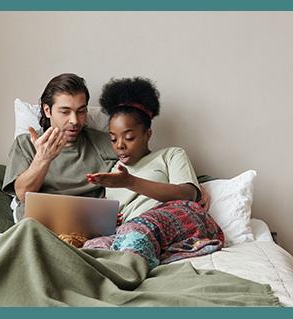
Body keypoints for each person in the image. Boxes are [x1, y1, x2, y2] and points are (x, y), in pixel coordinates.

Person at [83, 77, 224, 270]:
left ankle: (127, 272)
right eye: (113, 139)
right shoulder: (114, 172)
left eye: (129, 137)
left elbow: (188, 195)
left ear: (147, 134)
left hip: (174, 220)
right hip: (132, 230)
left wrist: (130, 182)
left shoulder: (170, 155)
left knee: (135, 231)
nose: (120, 145)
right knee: (93, 246)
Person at [2, 73, 117, 222]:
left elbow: (141, 169)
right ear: (47, 110)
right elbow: (23, 194)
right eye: (65, 112)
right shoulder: (25, 144)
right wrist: (43, 159)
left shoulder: (105, 143)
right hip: (41, 224)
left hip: (88, 224)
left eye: (81, 111)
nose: (75, 121)